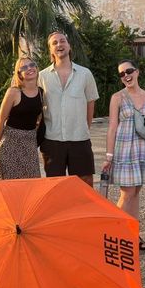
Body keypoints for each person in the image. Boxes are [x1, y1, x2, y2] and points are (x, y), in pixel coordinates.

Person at [102, 60, 145, 251]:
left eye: (129, 71)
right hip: (124, 149)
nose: (126, 75)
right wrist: (109, 156)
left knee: (136, 193)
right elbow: (112, 128)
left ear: (137, 72)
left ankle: (132, 235)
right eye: (121, 74)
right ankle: (111, 234)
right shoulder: (118, 97)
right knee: (128, 193)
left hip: (143, 149)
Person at [39, 31, 99, 185]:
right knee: (54, 186)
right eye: (54, 43)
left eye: (62, 41)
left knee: (85, 183)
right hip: (52, 140)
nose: (59, 44)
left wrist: (84, 127)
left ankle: (83, 210)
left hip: (80, 139)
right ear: (51, 50)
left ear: (69, 45)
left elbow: (90, 103)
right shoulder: (42, 77)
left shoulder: (85, 74)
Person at [0, 57, 43, 179]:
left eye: (31, 65)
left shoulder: (41, 92)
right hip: (10, 144)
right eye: (24, 67)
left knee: (32, 186)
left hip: (30, 145)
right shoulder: (13, 92)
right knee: (11, 188)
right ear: (19, 74)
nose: (29, 68)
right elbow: (0, 122)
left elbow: (39, 119)